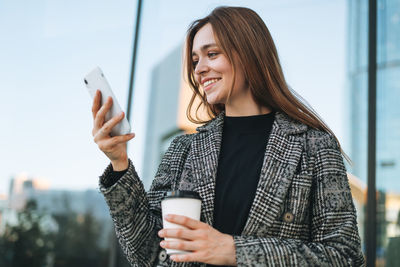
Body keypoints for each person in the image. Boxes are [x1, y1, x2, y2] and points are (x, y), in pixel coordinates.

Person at [91, 6, 365, 267]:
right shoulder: (184, 149)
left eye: (212, 54)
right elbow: (149, 255)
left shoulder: (314, 146)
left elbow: (345, 256)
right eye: (195, 60)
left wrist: (233, 250)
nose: (198, 69)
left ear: (249, 54)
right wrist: (119, 163)